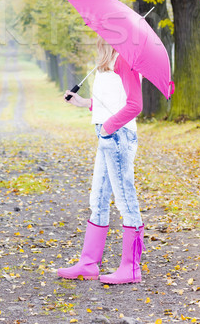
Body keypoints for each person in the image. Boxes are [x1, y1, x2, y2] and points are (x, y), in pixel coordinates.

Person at [57, 35, 145, 284]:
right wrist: (85, 103)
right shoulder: (110, 61)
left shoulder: (125, 60)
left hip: (117, 136)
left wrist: (108, 127)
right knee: (98, 199)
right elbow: (112, 101)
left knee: (125, 199)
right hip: (107, 137)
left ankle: (131, 268)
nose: (98, 37)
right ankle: (88, 263)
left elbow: (135, 105)